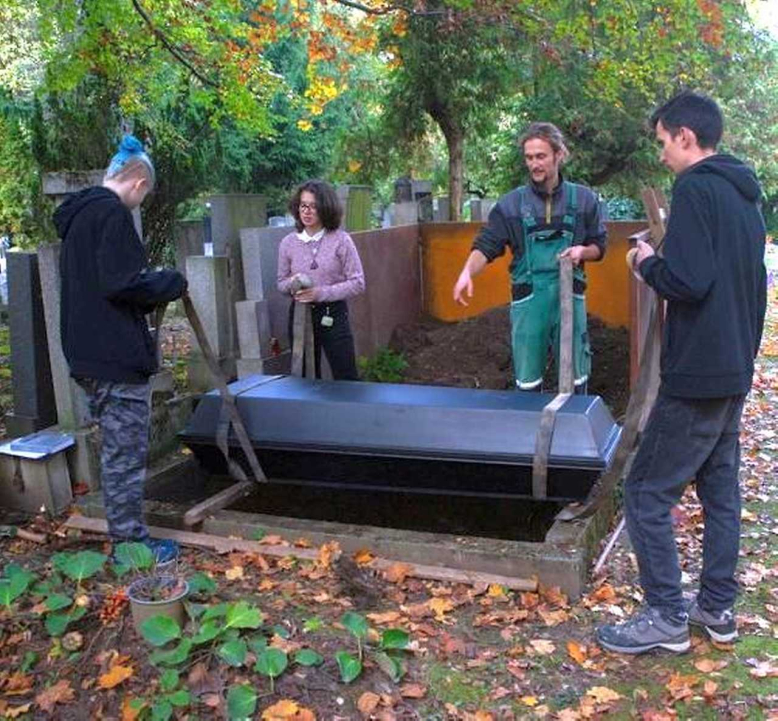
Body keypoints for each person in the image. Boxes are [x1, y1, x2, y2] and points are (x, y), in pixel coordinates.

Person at [596, 92, 767, 654]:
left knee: (644, 489)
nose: (663, 154)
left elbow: (689, 282)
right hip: (733, 367)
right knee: (719, 491)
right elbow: (742, 282)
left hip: (697, 374)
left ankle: (666, 616)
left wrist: (644, 262)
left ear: (687, 138)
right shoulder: (746, 195)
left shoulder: (695, 188)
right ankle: (716, 610)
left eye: (665, 142)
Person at [55, 135, 187, 563]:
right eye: (144, 194)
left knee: (115, 450)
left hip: (86, 351)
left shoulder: (79, 218)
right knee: (124, 454)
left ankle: (124, 537)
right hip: (115, 354)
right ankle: (130, 545)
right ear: (138, 183)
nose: (141, 201)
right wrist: (169, 281)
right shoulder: (112, 215)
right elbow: (122, 283)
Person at [453, 122, 606, 393]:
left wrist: (582, 252)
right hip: (528, 303)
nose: (534, 164)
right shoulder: (511, 205)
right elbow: (487, 245)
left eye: (541, 156)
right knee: (527, 380)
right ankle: (531, 430)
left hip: (570, 298)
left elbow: (599, 246)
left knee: (576, 375)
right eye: (529, 157)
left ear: (559, 155)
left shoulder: (583, 200)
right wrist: (467, 272)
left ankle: (572, 430)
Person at [277, 179, 365, 380]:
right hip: (300, 315)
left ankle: (348, 412)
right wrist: (293, 284)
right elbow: (280, 283)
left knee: (346, 376)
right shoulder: (288, 243)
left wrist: (320, 293)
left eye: (313, 206)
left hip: (333, 314)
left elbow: (358, 282)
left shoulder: (341, 240)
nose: (307, 211)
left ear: (325, 208)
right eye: (303, 205)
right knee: (305, 377)